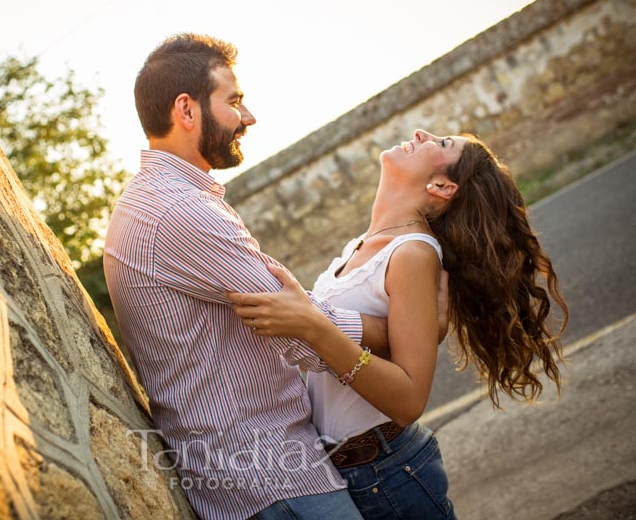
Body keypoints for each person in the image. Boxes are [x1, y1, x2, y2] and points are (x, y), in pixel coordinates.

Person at [104, 33, 402, 520]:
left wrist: (311, 316)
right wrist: (395, 330)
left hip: (253, 472)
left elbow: (298, 318)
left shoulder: (158, 199)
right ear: (187, 110)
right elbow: (305, 334)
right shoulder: (179, 210)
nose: (248, 117)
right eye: (234, 101)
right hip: (271, 476)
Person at [228, 130, 569, 520]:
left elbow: (409, 401)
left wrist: (312, 326)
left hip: (387, 473)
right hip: (346, 471)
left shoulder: (414, 253)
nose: (423, 133)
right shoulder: (362, 245)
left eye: (441, 144)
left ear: (442, 186)